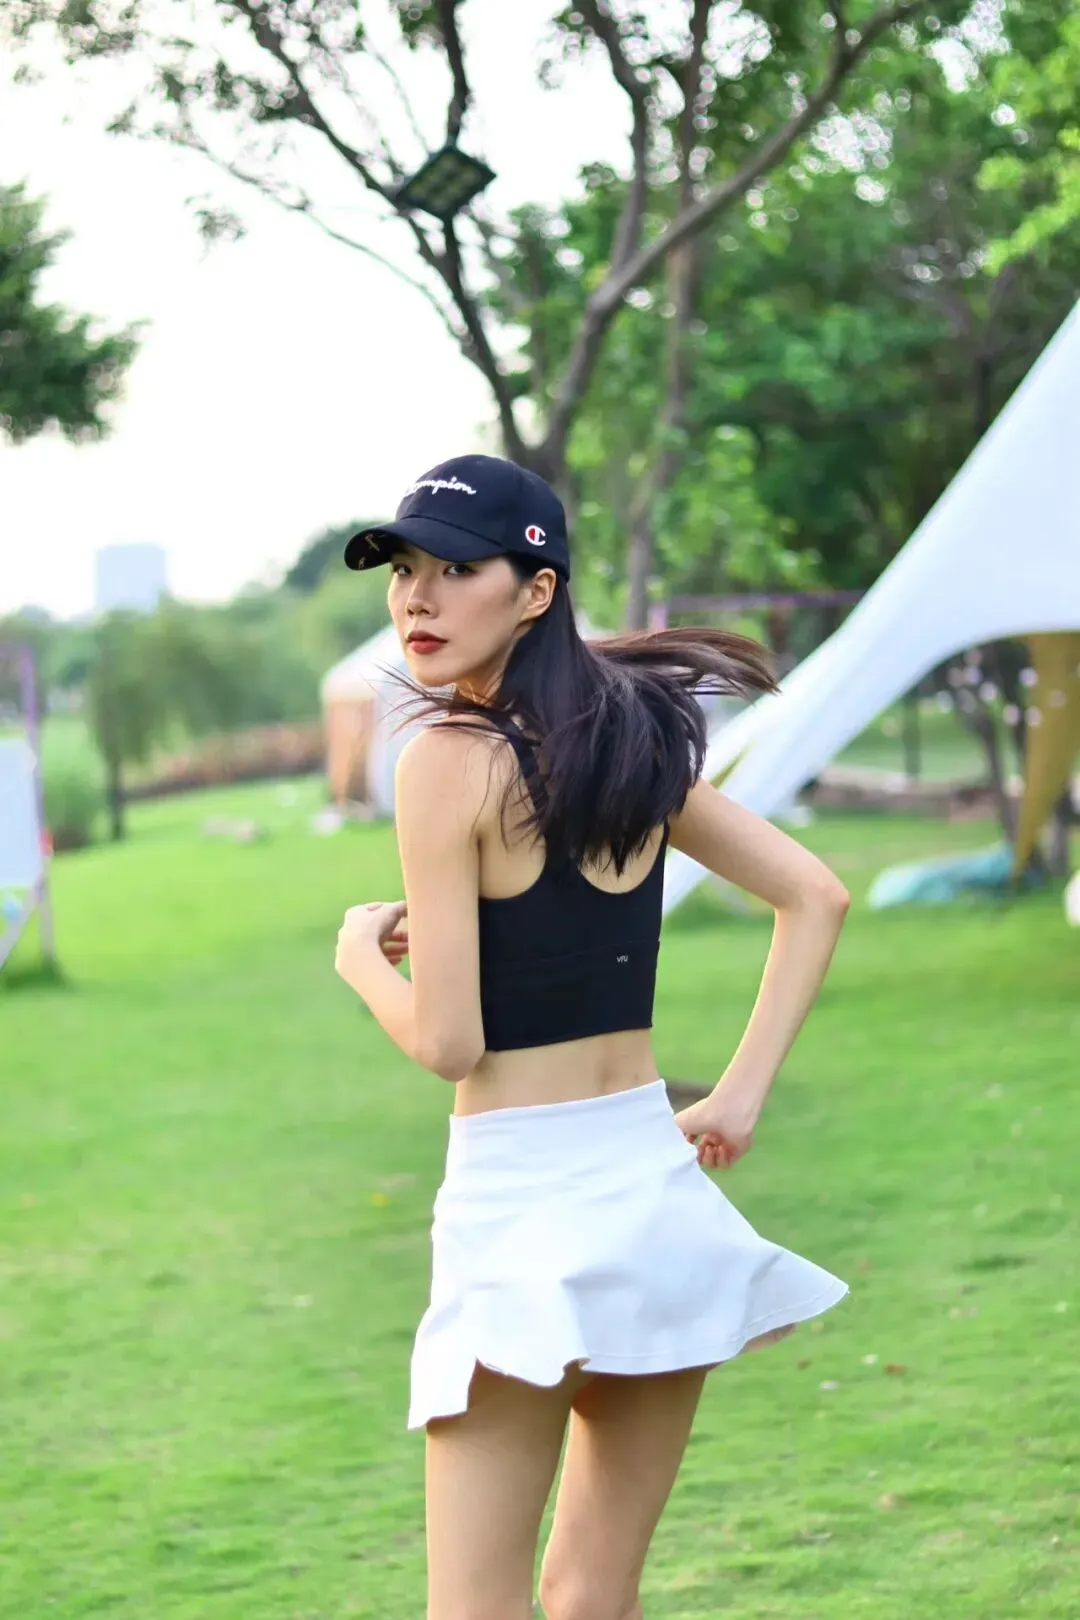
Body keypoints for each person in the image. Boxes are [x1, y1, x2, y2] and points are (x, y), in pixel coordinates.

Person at [334, 454, 851, 1620]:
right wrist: (740, 1095)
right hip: (652, 1196)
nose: (417, 597)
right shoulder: (633, 740)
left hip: (521, 1203)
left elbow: (450, 1042)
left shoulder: (444, 762)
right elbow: (814, 894)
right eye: (404, 571)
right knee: (593, 1597)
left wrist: (362, 959)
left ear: (536, 590)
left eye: (455, 569)